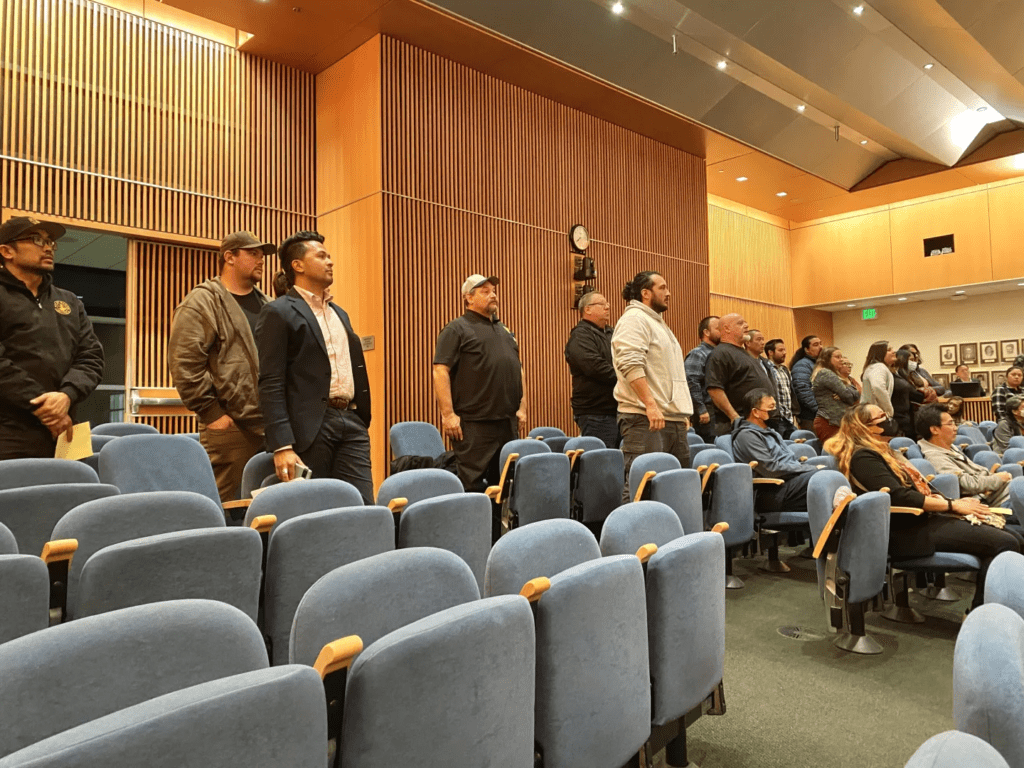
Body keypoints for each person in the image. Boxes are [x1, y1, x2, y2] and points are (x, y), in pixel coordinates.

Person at [826, 403, 1022, 610]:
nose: (889, 418)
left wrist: (959, 503)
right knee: (1005, 543)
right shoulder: (863, 456)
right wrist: (952, 505)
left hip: (924, 520)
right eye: (881, 416)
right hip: (907, 531)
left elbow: (922, 489)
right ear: (865, 427)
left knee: (1015, 539)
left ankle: (993, 608)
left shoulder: (888, 452)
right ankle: (982, 614)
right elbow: (899, 496)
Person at [257, 231, 373, 504]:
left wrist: (361, 418)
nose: (330, 261)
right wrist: (282, 445)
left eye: (329, 255)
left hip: (352, 421)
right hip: (310, 428)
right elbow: (271, 381)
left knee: (363, 506)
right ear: (297, 265)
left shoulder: (339, 313)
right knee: (316, 511)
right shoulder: (279, 311)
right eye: (321, 256)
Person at [169, 231, 275, 502]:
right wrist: (211, 412)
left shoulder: (267, 304)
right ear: (230, 257)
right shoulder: (202, 302)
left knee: (270, 508)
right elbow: (184, 363)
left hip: (270, 425)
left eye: (262, 255)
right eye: (253, 253)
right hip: (230, 427)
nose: (261, 260)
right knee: (233, 509)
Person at [0, 216, 104, 460]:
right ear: (6, 251)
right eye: (36, 240)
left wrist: (66, 396)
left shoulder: (69, 301)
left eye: (50, 242)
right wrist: (45, 408)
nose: (48, 247)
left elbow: (91, 357)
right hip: (9, 432)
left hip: (67, 427)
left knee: (76, 495)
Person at [433, 274, 526, 511]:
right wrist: (448, 415)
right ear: (468, 298)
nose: (493, 294)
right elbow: (440, 371)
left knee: (504, 487)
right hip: (474, 425)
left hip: (506, 423)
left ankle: (497, 541)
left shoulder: (504, 330)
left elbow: (518, 369)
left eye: (493, 290)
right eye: (484, 291)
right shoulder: (456, 329)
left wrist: (522, 408)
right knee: (472, 489)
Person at [612, 271, 692, 490]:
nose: (669, 293)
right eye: (662, 288)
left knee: (675, 488)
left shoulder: (657, 323)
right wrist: (650, 404)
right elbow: (630, 364)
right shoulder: (634, 320)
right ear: (645, 293)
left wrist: (678, 411)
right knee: (642, 487)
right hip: (645, 419)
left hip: (669, 418)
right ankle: (629, 526)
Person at [732, 389, 818, 512]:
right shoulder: (746, 436)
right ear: (755, 412)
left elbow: (787, 460)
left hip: (789, 483)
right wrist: (810, 468)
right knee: (822, 477)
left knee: (831, 470)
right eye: (771, 407)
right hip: (773, 491)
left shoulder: (770, 431)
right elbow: (770, 468)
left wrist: (805, 467)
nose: (775, 411)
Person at [916, 404, 1011, 508]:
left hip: (995, 492)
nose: (955, 428)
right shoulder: (934, 456)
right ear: (934, 430)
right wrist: (997, 479)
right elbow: (966, 484)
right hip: (986, 501)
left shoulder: (949, 447)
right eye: (950, 424)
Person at [705, 314, 776, 436]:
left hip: (759, 423)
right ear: (727, 328)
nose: (746, 325)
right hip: (740, 425)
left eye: (745, 322)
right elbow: (714, 389)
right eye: (740, 323)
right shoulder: (720, 353)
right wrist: (734, 417)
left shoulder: (744, 353)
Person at [564, 292, 617, 448]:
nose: (608, 306)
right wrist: (627, 378)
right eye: (602, 304)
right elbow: (595, 367)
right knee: (603, 462)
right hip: (595, 412)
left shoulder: (612, 333)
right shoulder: (580, 336)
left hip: (617, 409)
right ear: (587, 309)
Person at [810, 346, 860, 441]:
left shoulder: (835, 375)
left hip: (836, 422)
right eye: (837, 357)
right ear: (827, 359)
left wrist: (844, 393)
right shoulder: (826, 373)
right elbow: (849, 397)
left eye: (841, 357)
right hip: (829, 422)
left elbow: (856, 394)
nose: (841, 360)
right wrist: (844, 394)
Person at [684, 315, 720, 445]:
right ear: (706, 332)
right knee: (711, 448)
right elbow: (691, 381)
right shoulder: (698, 353)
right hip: (707, 411)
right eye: (718, 328)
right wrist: (701, 409)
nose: (722, 332)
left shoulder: (719, 353)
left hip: (719, 411)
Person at [764, 338, 799, 436]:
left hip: (789, 418)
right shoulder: (766, 369)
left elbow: (790, 392)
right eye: (780, 350)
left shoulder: (784, 370)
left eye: (784, 350)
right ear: (770, 352)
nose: (784, 353)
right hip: (775, 419)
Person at [790, 335, 823, 430]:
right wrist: (819, 410)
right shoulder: (802, 365)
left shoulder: (817, 364)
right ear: (807, 350)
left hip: (818, 414)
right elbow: (803, 390)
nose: (820, 347)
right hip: (810, 416)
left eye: (821, 343)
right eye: (816, 345)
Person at [892, 348, 926, 440]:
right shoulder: (898, 378)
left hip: (910, 417)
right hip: (902, 419)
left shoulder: (911, 376)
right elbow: (918, 396)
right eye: (911, 360)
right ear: (903, 360)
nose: (914, 363)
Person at [860, 340, 895, 422]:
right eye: (889, 350)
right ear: (880, 353)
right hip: (874, 415)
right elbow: (878, 387)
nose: (893, 352)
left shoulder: (875, 367)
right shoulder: (878, 367)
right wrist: (889, 410)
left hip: (871, 413)